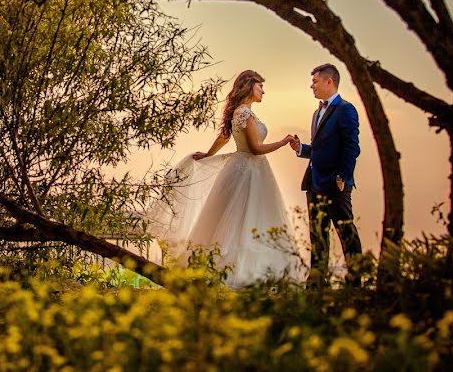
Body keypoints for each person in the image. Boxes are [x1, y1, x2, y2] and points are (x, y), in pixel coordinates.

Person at [146, 70, 302, 287]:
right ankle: (240, 272)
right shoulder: (244, 114)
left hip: (246, 168)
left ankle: (239, 269)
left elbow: (225, 136)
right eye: (260, 87)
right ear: (249, 86)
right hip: (248, 169)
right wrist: (283, 141)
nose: (263, 91)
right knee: (245, 217)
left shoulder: (243, 112)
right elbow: (256, 148)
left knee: (245, 217)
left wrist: (209, 153)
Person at [289, 63, 362, 286]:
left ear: (329, 82)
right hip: (314, 182)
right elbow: (321, 149)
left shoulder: (346, 109)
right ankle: (318, 281)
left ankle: (355, 278)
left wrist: (342, 177)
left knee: (345, 230)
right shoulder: (316, 112)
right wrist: (301, 149)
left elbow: (352, 147)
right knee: (318, 235)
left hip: (336, 184)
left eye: (315, 81)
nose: (312, 86)